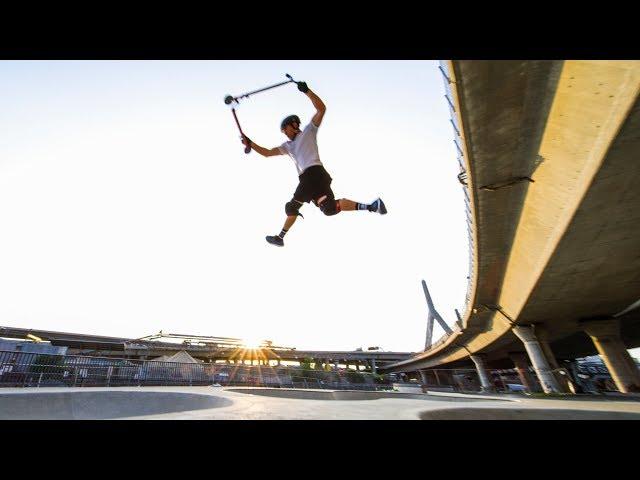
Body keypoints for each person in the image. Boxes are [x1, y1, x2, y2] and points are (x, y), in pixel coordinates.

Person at [240, 79, 387, 247]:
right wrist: (250, 143)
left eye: (284, 129)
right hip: (318, 178)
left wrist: (306, 91)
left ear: (293, 125)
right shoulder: (287, 147)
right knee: (329, 209)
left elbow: (321, 109)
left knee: (291, 207)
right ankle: (372, 206)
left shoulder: (309, 131)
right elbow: (267, 153)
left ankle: (280, 237)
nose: (284, 133)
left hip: (311, 175)